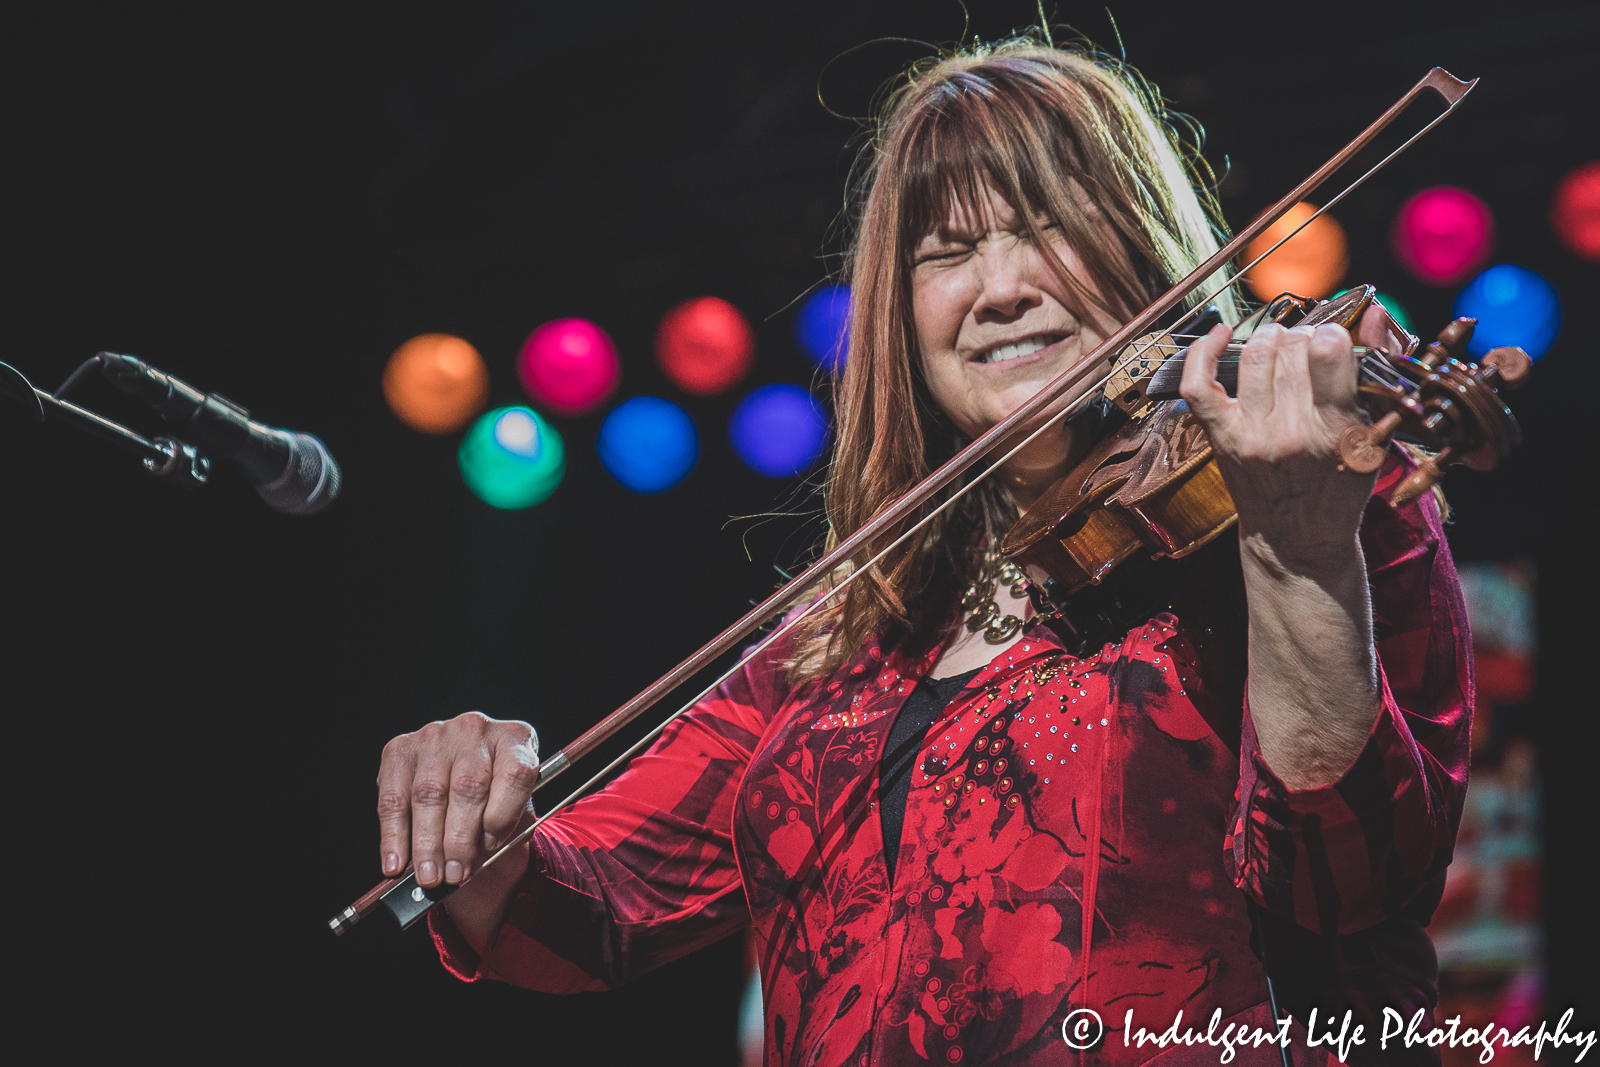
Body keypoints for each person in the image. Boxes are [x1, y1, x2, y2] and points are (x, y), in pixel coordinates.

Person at [372, 36, 1469, 1066]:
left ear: (1141, 244)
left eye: (1045, 228)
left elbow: (1354, 881)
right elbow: (594, 902)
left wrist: (1294, 549)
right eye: (948, 252)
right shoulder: (841, 638)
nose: (1000, 289)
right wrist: (467, 808)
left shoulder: (1301, 495)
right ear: (904, 313)